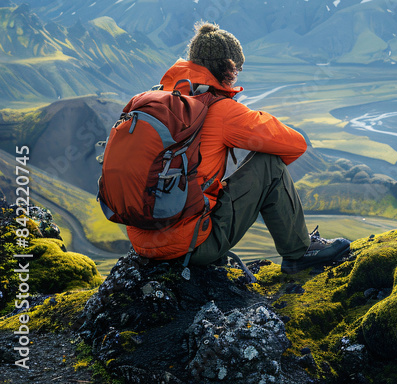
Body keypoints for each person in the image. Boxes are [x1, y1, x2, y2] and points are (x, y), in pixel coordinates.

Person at [126, 22, 350, 274]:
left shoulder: (155, 99)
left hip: (143, 243)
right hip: (190, 246)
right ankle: (299, 252)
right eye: (237, 69)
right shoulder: (220, 109)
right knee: (269, 165)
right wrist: (250, 118)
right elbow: (295, 143)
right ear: (228, 68)